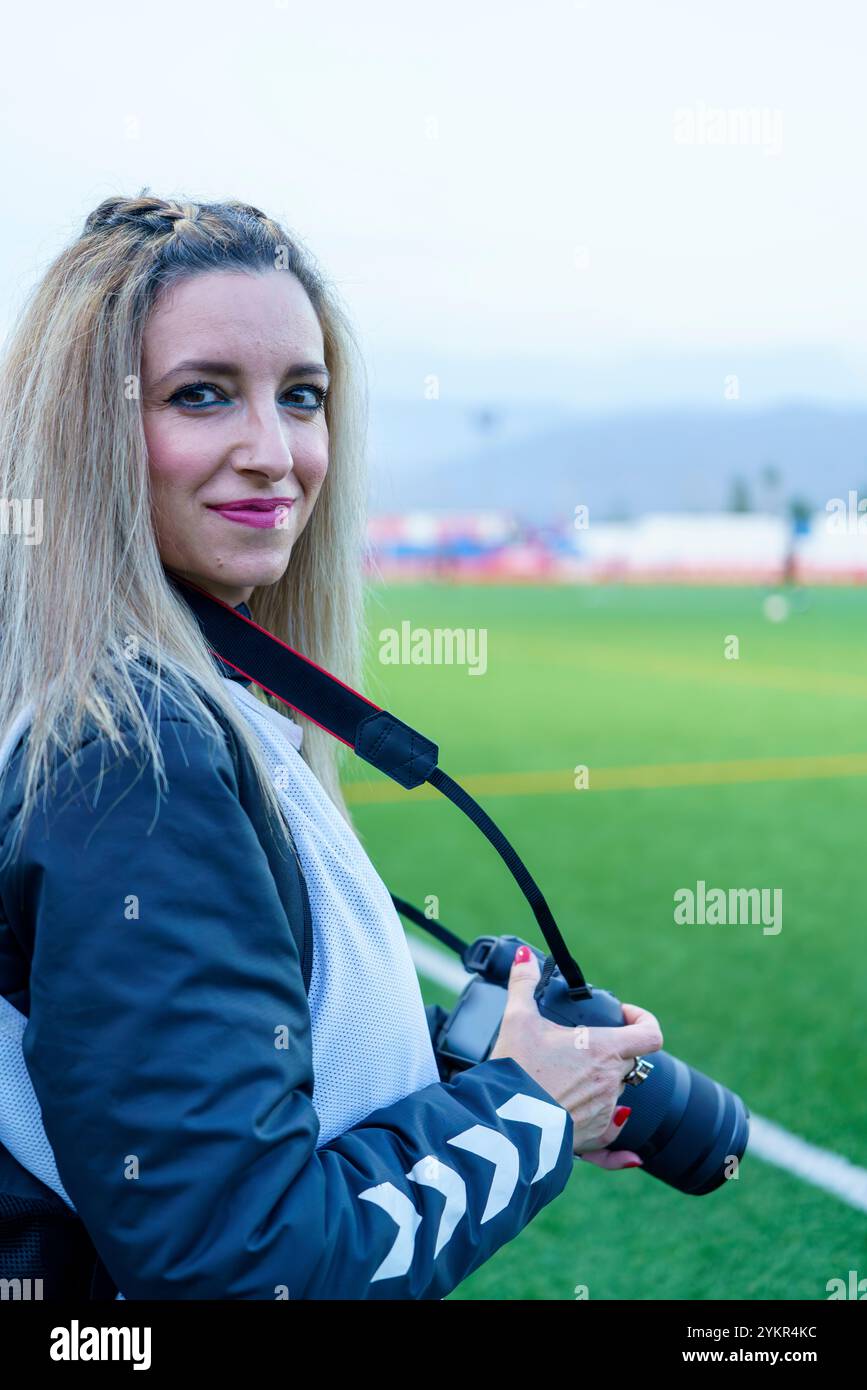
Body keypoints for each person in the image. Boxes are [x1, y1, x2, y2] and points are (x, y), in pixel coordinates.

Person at [0, 191, 663, 1300]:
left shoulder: (155, 693)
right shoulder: (132, 753)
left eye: (302, 398)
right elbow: (247, 1272)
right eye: (201, 396)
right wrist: (527, 1108)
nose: (277, 453)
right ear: (86, 433)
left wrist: (475, 1075)